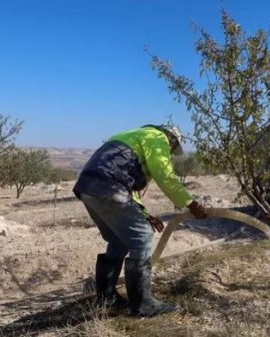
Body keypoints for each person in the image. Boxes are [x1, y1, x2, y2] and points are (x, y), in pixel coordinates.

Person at [73, 124, 208, 317]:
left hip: (88, 187)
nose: (169, 152)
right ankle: (143, 305)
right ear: (171, 139)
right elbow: (165, 176)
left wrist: (145, 214)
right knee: (143, 237)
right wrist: (190, 203)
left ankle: (107, 299)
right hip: (109, 187)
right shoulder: (157, 138)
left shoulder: (131, 135)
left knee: (119, 240)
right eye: (171, 149)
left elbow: (129, 188)